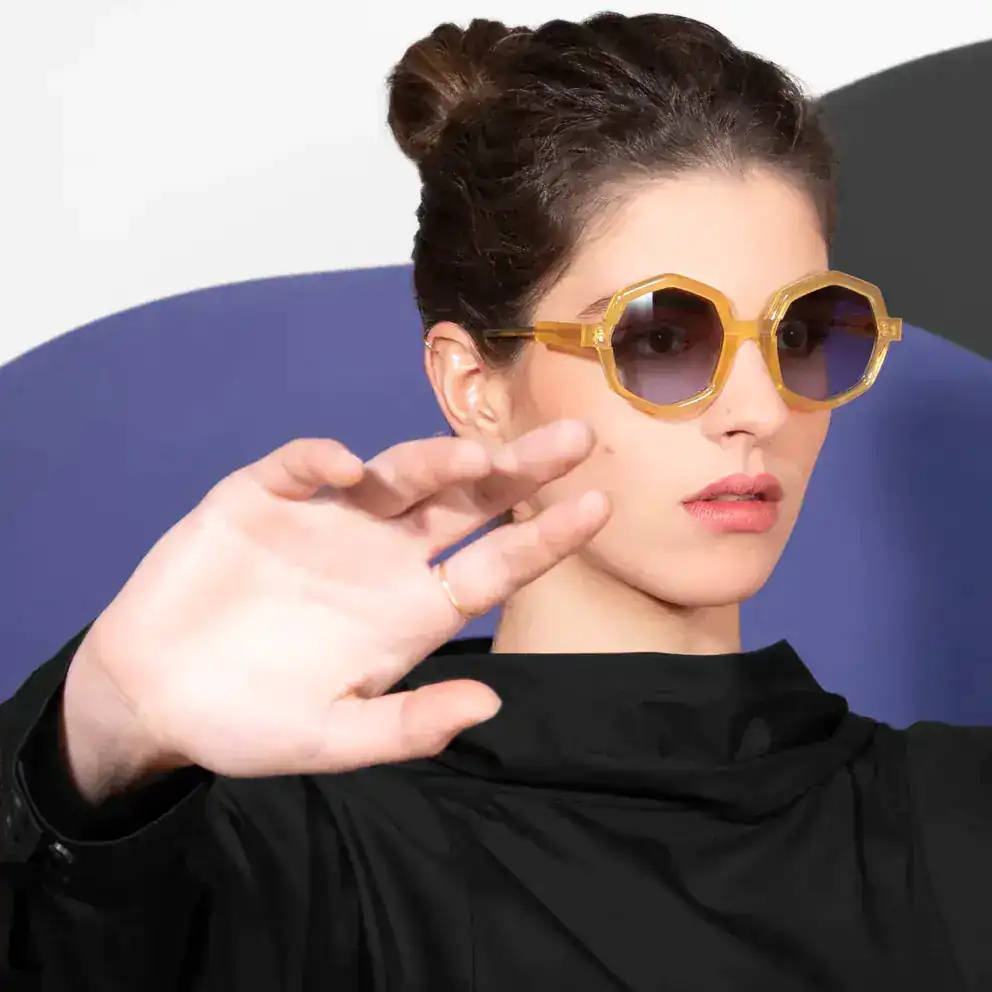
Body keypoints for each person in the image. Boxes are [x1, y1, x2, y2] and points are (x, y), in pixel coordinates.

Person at [0, 11, 988, 990]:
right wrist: (99, 736)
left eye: (800, 334)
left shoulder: (953, 821)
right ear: (475, 387)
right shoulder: (292, 852)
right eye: (660, 338)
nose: (759, 409)